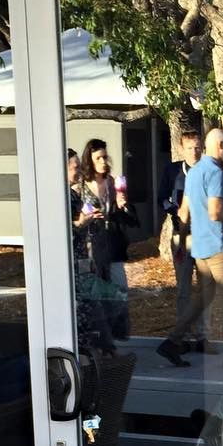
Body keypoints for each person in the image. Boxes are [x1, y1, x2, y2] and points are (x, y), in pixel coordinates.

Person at [157, 128, 223, 370]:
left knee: (202, 299)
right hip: (220, 248)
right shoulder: (214, 172)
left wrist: (182, 243)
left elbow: (184, 212)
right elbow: (215, 213)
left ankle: (172, 342)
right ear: (220, 146)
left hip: (200, 249)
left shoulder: (194, 172)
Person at [157, 130, 214, 352]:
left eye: (198, 147)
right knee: (183, 288)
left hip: (204, 235)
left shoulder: (209, 170)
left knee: (205, 288)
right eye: (190, 148)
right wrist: (177, 211)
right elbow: (161, 198)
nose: (194, 152)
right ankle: (181, 337)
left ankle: (202, 336)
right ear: (181, 149)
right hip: (181, 234)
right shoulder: (173, 171)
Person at [79, 138, 138, 341]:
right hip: (90, 245)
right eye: (99, 158)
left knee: (119, 289)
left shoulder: (113, 183)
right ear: (89, 161)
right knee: (94, 293)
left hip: (113, 244)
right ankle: (100, 339)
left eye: (105, 157)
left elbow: (131, 219)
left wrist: (123, 206)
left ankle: (116, 334)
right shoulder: (81, 186)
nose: (104, 161)